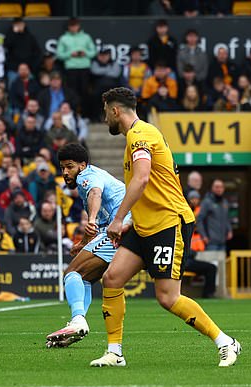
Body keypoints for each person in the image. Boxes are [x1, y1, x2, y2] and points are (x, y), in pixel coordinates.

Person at [90, 87, 240, 368]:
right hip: (146, 224)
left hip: (168, 223)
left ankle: (226, 342)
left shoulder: (140, 135)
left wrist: (119, 218)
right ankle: (114, 352)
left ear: (115, 110)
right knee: (112, 279)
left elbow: (143, 179)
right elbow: (153, 186)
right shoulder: (138, 135)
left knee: (168, 298)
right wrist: (133, 220)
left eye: (105, 112)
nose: (105, 118)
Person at [45, 143, 128, 348]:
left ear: (82, 165)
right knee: (86, 278)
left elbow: (95, 194)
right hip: (126, 228)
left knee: (72, 272)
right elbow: (99, 225)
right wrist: (82, 243)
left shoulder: (86, 177)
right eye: (62, 167)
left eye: (70, 167)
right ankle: (78, 322)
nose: (65, 172)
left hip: (122, 228)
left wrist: (90, 219)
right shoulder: (95, 175)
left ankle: (78, 320)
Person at [55, 17, 96, 112]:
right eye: (71, 26)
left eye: (75, 26)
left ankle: (85, 114)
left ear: (78, 26)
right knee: (72, 92)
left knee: (85, 92)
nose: (73, 28)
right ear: (68, 27)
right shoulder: (63, 38)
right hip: (71, 69)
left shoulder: (86, 37)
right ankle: (72, 113)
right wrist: (70, 54)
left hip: (84, 68)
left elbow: (93, 52)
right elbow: (59, 54)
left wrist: (85, 53)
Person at [196, 179, 232, 251]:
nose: (219, 189)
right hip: (211, 243)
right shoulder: (207, 202)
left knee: (221, 262)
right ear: (212, 188)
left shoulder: (225, 202)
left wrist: (229, 230)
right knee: (211, 262)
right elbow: (199, 220)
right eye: (217, 187)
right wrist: (203, 236)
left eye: (221, 187)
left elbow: (227, 218)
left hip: (223, 241)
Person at [3, 17, 41, 87]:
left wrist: (30, 67)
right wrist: (14, 33)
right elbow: (6, 46)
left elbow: (37, 53)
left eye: (20, 24)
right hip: (14, 70)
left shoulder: (30, 37)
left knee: (31, 89)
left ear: (24, 25)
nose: (19, 26)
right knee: (12, 89)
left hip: (28, 70)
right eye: (17, 25)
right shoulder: (10, 36)